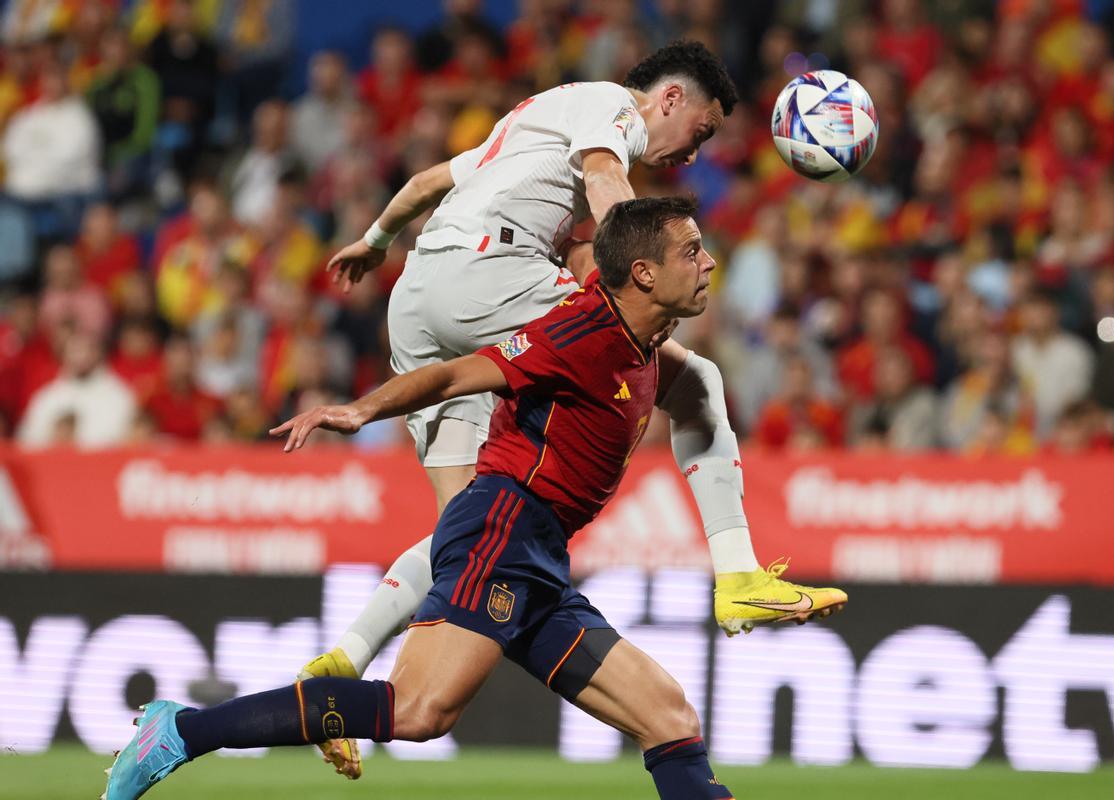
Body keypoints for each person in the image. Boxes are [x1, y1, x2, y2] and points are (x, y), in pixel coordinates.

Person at [102, 197, 847, 800]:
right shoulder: (581, 332)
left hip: (541, 553)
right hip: (503, 520)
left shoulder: (649, 338)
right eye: (692, 251)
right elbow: (461, 375)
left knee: (667, 714)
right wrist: (360, 410)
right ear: (645, 274)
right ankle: (181, 732)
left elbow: (611, 238)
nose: (710, 260)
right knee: (419, 712)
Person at [305, 40, 826, 778]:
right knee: (696, 382)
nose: (688, 154)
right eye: (700, 133)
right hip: (491, 274)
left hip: (418, 299)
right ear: (669, 99)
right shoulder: (611, 109)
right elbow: (608, 175)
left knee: (466, 522)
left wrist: (374, 239)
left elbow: (426, 182)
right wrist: (631, 274)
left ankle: (342, 660)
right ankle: (738, 575)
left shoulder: (529, 119)